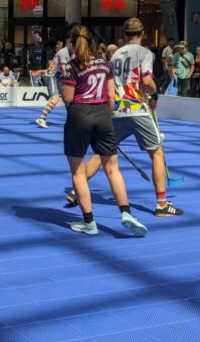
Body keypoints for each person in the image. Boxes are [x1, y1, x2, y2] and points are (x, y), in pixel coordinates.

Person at [67, 18, 181, 218]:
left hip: (117, 110)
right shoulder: (145, 53)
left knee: (102, 154)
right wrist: (154, 94)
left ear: (124, 35)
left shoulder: (116, 54)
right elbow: (146, 81)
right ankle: (162, 204)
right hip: (138, 109)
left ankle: (77, 189)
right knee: (156, 153)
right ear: (143, 33)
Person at [62, 24, 147, 237]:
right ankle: (126, 212)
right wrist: (106, 116)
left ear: (73, 44)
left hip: (79, 115)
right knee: (112, 169)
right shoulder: (104, 64)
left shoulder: (72, 66)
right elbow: (111, 96)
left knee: (78, 172)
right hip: (102, 115)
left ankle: (89, 222)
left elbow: (68, 98)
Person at [36, 39, 71, 128]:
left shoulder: (72, 52)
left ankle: (71, 119)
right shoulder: (64, 52)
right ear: (70, 44)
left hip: (58, 77)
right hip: (51, 76)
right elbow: (64, 69)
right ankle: (42, 118)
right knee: (55, 98)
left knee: (67, 98)